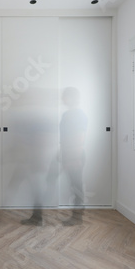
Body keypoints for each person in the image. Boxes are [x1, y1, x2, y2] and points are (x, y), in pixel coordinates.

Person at [59, 87, 88, 225]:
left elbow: (79, 137)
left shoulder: (77, 115)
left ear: (71, 98)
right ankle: (76, 216)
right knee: (74, 185)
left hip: (75, 154)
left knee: (76, 186)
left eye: (65, 96)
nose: (62, 99)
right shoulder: (67, 114)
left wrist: (74, 158)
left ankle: (77, 218)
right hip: (68, 154)